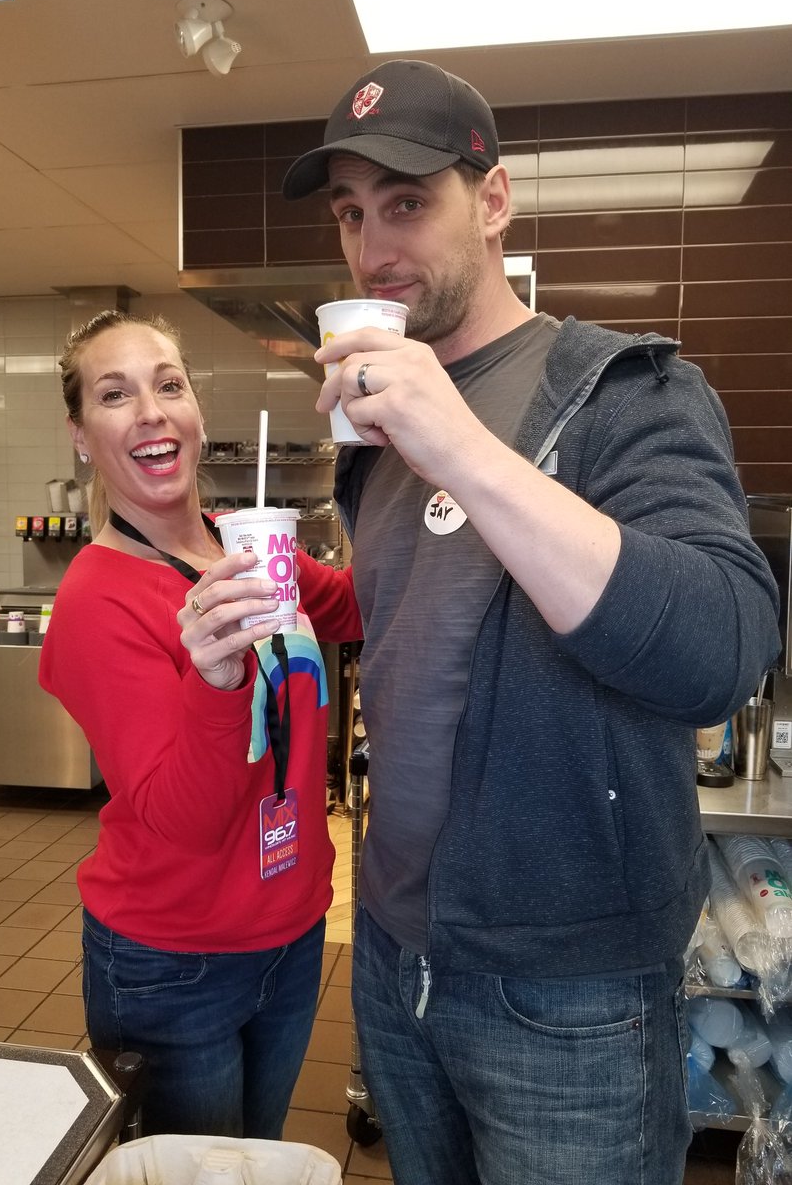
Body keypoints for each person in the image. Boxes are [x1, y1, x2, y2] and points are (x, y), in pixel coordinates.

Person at [282, 60, 782, 1185]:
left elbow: (723, 650)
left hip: (570, 985)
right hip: (394, 952)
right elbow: (412, 644)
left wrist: (457, 439)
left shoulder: (625, 392)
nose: (373, 250)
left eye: (408, 203)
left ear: (494, 199)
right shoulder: (372, 448)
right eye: (352, 216)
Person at [38, 310, 359, 1138]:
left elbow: (358, 607)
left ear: (197, 417)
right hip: (173, 963)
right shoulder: (96, 600)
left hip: (290, 935)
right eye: (115, 395)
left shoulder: (243, 547)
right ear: (81, 436)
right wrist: (214, 680)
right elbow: (183, 817)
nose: (150, 410)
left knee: (256, 1157)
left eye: (168, 384)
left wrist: (418, 478)